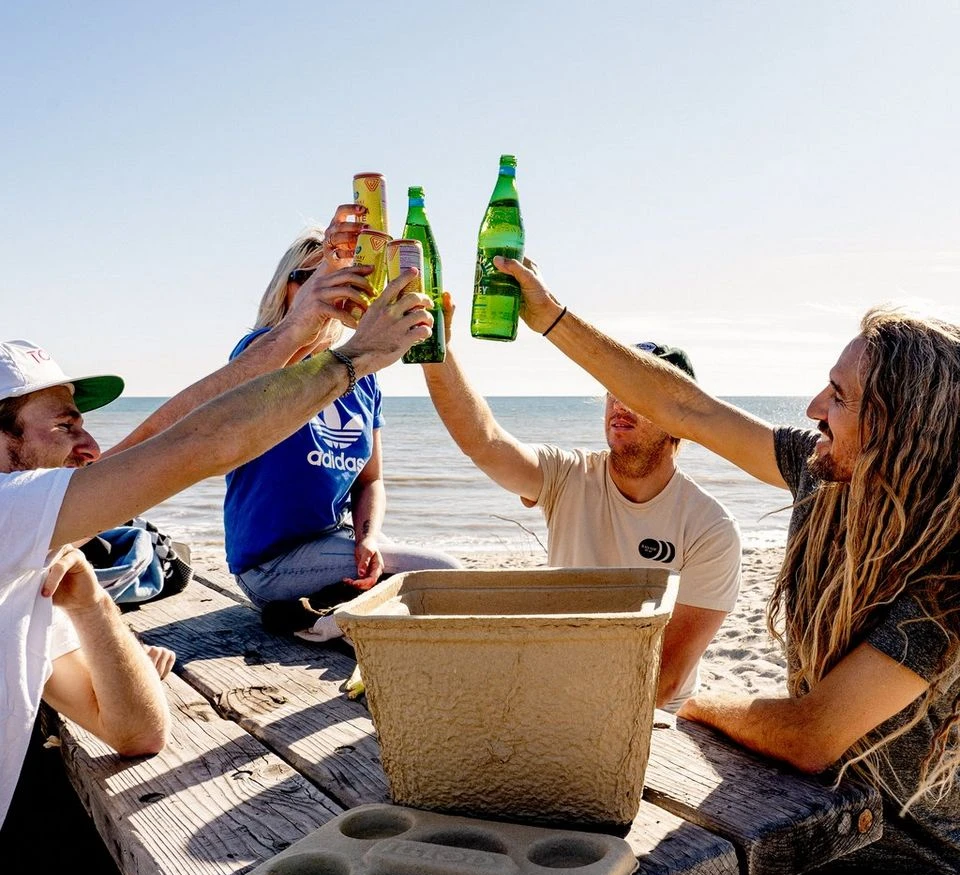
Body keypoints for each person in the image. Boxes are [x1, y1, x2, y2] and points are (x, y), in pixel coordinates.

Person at [494, 253, 960, 875]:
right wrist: (550, 317)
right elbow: (685, 406)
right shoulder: (824, 477)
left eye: (839, 397)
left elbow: (811, 733)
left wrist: (699, 704)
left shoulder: (946, 583)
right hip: (817, 831)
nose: (814, 409)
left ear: (901, 426)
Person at [0, 260, 434, 833]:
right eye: (63, 427)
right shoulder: (8, 513)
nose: (91, 447)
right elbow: (195, 444)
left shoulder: (27, 561)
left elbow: (137, 732)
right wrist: (355, 357)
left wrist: (93, 605)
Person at [422, 295, 741, 711]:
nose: (620, 404)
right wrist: (437, 349)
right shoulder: (568, 476)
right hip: (558, 690)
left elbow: (664, 677)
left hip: (650, 714)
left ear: (681, 418)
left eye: (640, 393)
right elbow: (484, 441)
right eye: (614, 389)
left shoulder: (709, 528)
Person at [223, 226, 460, 640]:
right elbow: (244, 395)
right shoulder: (261, 351)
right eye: (309, 278)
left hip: (332, 543)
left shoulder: (362, 377)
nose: (326, 288)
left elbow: (371, 481)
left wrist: (368, 538)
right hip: (268, 565)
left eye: (340, 277)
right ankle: (327, 619)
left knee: (418, 579)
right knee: (444, 574)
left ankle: (320, 616)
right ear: (283, 289)